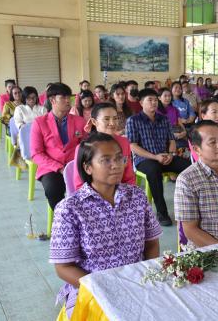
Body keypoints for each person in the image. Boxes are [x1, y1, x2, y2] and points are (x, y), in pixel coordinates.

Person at [50, 132, 161, 319]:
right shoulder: (70, 208)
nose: (116, 165)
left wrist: (145, 275)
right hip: (94, 288)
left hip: (138, 280)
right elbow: (63, 267)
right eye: (106, 160)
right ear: (88, 167)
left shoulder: (136, 196)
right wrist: (105, 287)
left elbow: (151, 243)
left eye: (119, 158)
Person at [126, 88, 191, 226]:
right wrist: (155, 157)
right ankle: (162, 213)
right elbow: (133, 146)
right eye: (150, 100)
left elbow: (172, 140)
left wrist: (171, 154)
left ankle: (193, 206)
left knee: (189, 167)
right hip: (144, 159)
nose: (154, 102)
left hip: (166, 157)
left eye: (156, 100)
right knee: (154, 170)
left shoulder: (164, 119)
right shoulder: (133, 120)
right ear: (142, 102)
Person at [31, 83, 87, 210]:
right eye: (63, 97)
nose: (68, 101)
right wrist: (59, 168)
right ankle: (62, 221)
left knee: (92, 186)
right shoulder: (39, 123)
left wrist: (79, 164)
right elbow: (36, 154)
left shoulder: (79, 121)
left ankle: (83, 218)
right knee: (53, 190)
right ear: (52, 100)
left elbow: (86, 146)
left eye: (69, 97)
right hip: (51, 167)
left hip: (75, 165)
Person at [73, 102, 135, 190]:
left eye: (115, 118)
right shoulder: (85, 147)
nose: (112, 123)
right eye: (106, 119)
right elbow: (80, 183)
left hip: (121, 193)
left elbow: (129, 177)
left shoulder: (124, 142)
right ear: (94, 121)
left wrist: (129, 195)